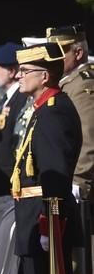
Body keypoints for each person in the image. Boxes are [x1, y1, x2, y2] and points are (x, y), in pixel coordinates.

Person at [11, 41, 82, 274]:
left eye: (25, 70)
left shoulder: (53, 111)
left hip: (45, 221)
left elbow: (55, 174)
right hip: (32, 216)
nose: (18, 75)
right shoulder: (42, 109)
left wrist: (47, 225)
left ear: (44, 76)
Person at [45, 24, 94, 202]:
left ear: (78, 53)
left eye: (60, 52)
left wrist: (79, 180)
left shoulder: (82, 85)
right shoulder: (68, 82)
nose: (53, 58)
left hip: (82, 185)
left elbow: (89, 135)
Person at [0, 42, 28, 199]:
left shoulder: (22, 98)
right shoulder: (8, 97)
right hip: (1, 180)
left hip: (9, 183)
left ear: (12, 72)